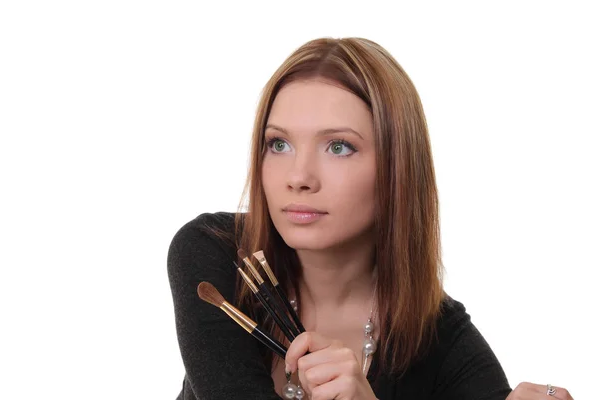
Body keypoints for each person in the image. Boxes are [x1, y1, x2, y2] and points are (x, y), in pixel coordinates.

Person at [167, 37, 574, 400]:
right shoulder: (216, 253)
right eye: (279, 144)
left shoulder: (442, 340)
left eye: (339, 147)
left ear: (398, 170)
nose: (299, 177)